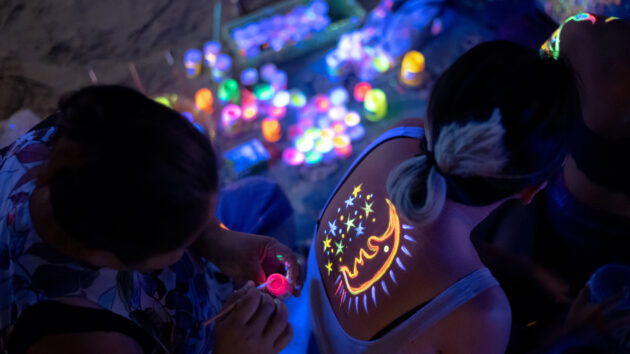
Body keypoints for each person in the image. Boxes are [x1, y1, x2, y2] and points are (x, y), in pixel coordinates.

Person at [305, 40, 580, 353]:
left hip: (296, 324)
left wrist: (523, 269)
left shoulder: (398, 137)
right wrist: (568, 336)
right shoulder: (482, 315)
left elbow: (431, 242)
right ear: (533, 190)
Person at [0, 85, 302, 354]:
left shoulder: (81, 133)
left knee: (264, 197)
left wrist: (218, 240)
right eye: (184, 238)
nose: (210, 222)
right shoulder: (84, 339)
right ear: (114, 258)